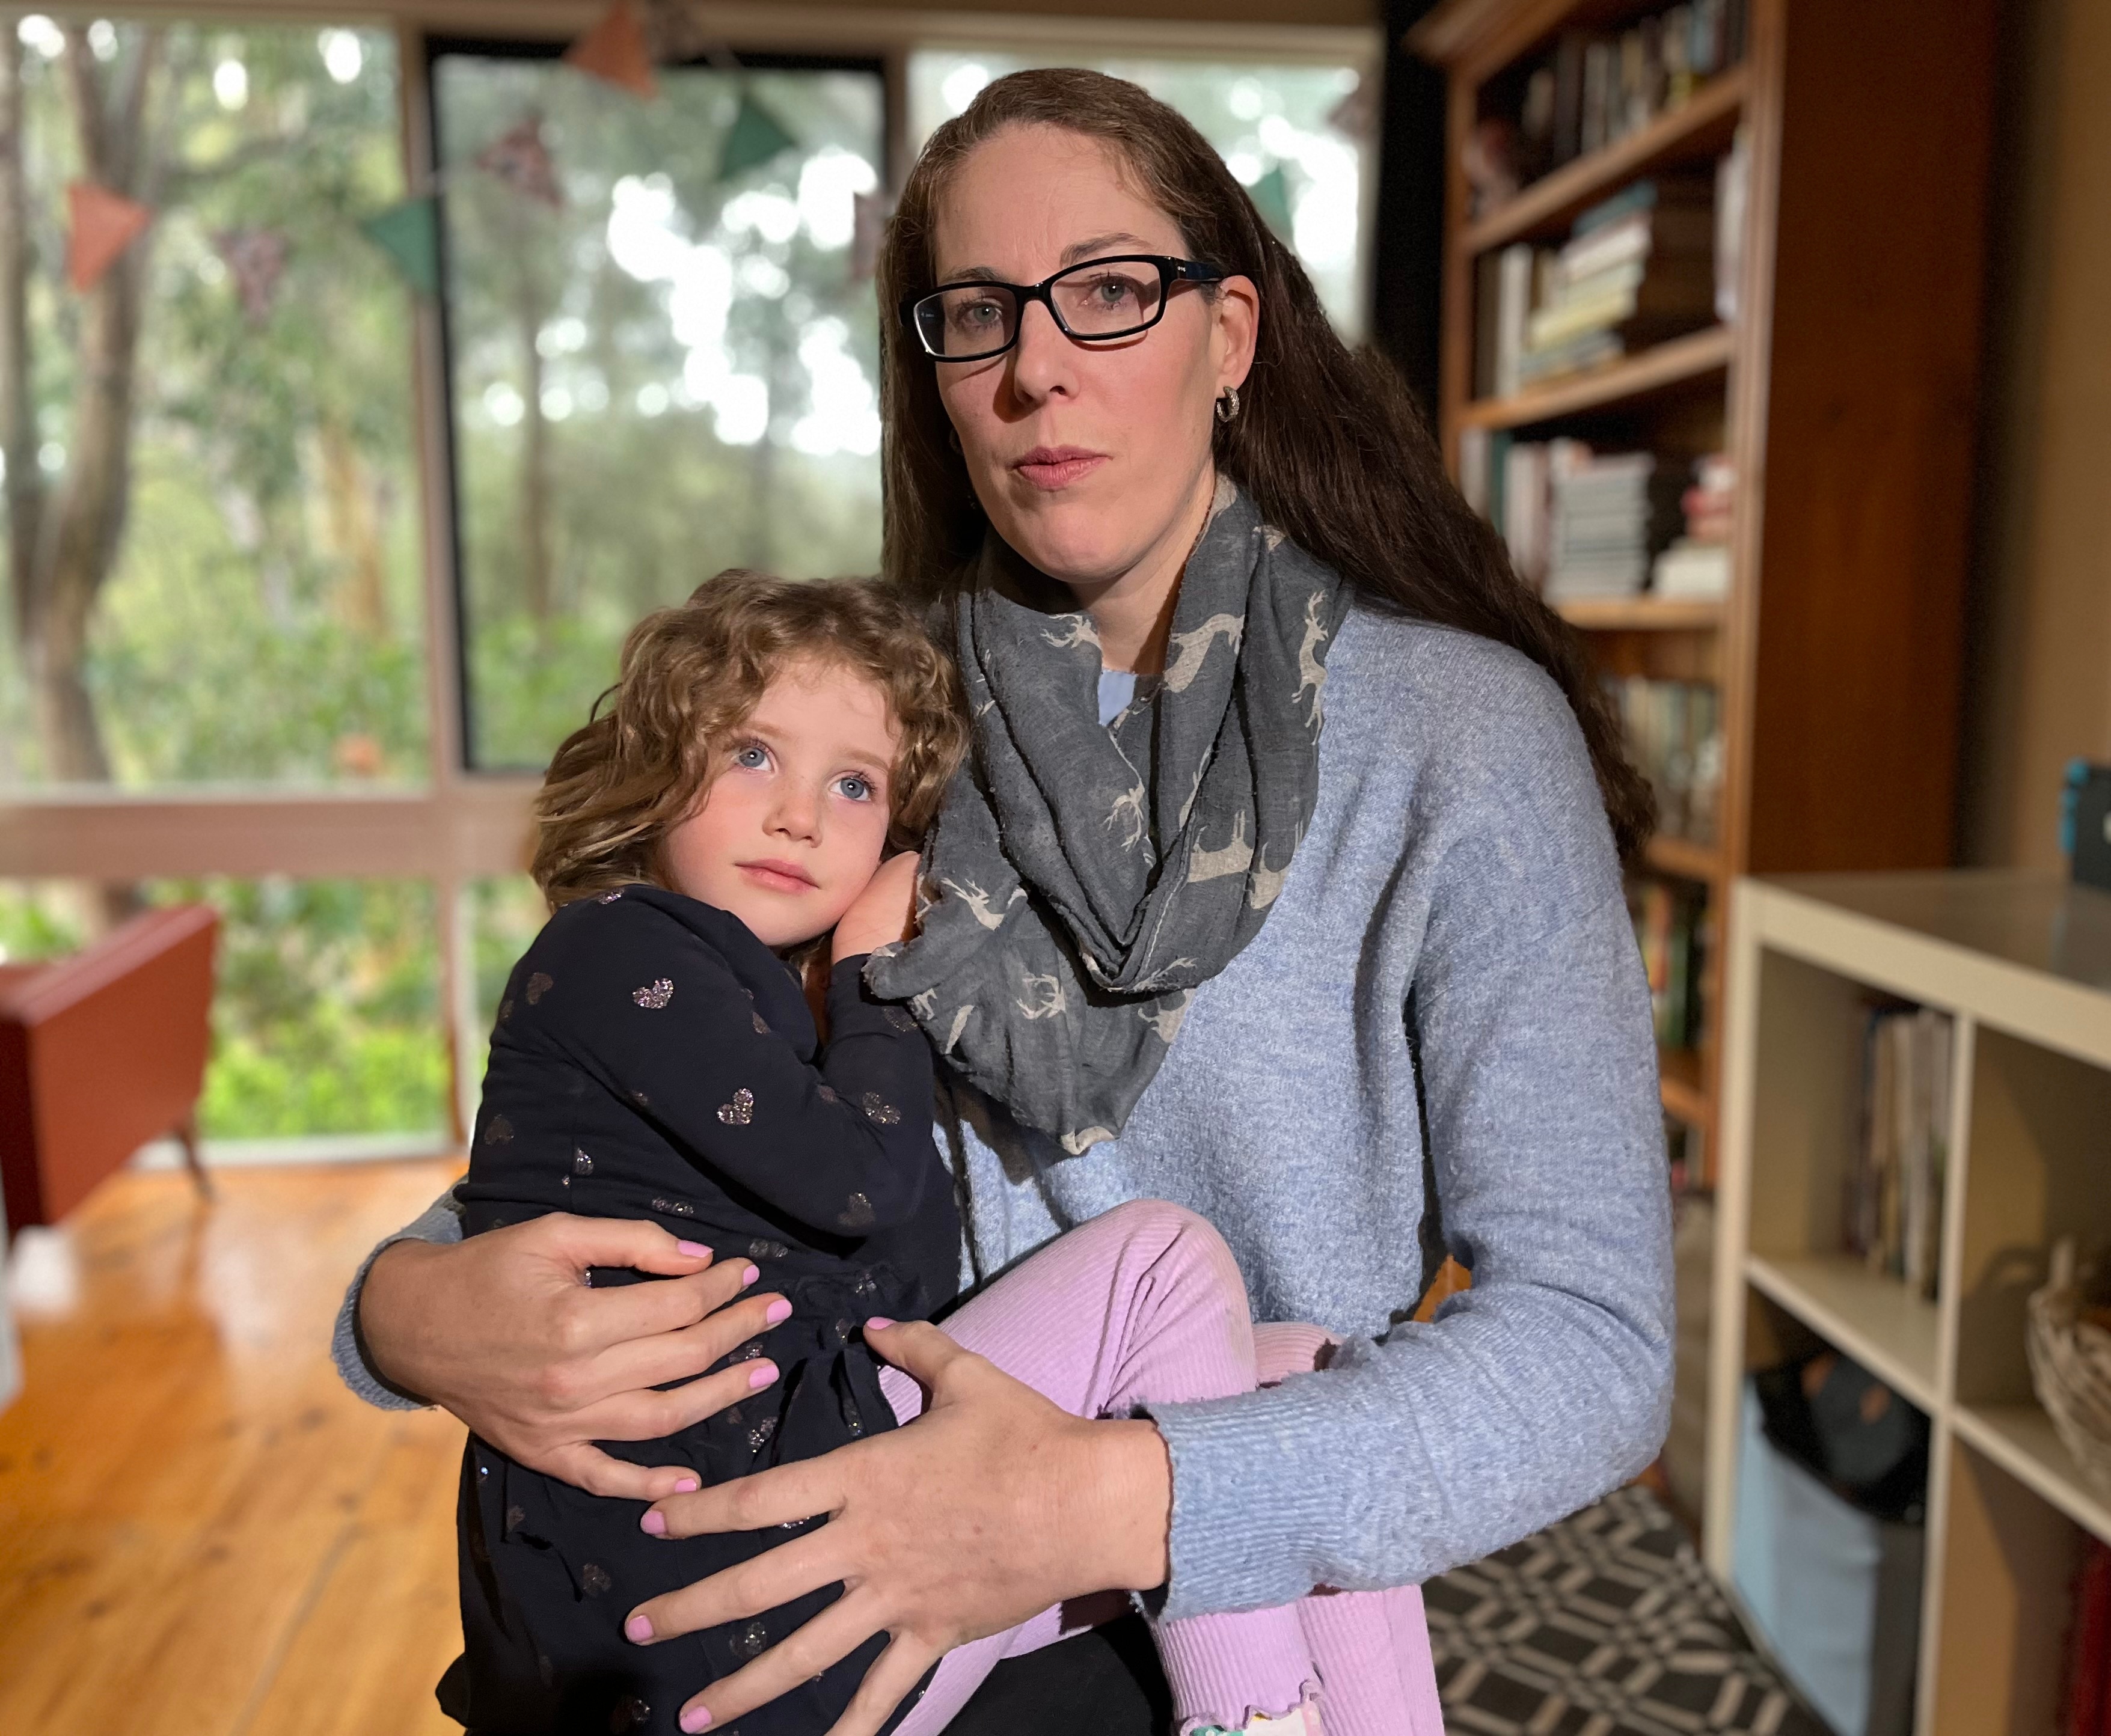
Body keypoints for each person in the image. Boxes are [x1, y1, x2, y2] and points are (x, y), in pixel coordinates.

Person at [337, 68, 1673, 1736]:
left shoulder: (1460, 741)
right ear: (943, 375)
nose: (1040, 365)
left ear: (1233, 334)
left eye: (1112, 292)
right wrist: (403, 1308)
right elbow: (623, 1066)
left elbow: (1594, 1347)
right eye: (979, 315)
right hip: (817, 1551)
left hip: (1229, 1610)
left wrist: (1099, 1505)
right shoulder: (867, 734)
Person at [443, 568, 1383, 1736]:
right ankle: (1250, 1716)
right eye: (750, 755)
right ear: (653, 765)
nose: (800, 815)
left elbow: (901, 1279)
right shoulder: (615, 950)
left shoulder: (761, 1015)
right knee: (1158, 1263)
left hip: (796, 1559)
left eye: (854, 784)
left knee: (1297, 1405)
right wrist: (875, 972)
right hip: (704, 1599)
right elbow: (864, 1186)